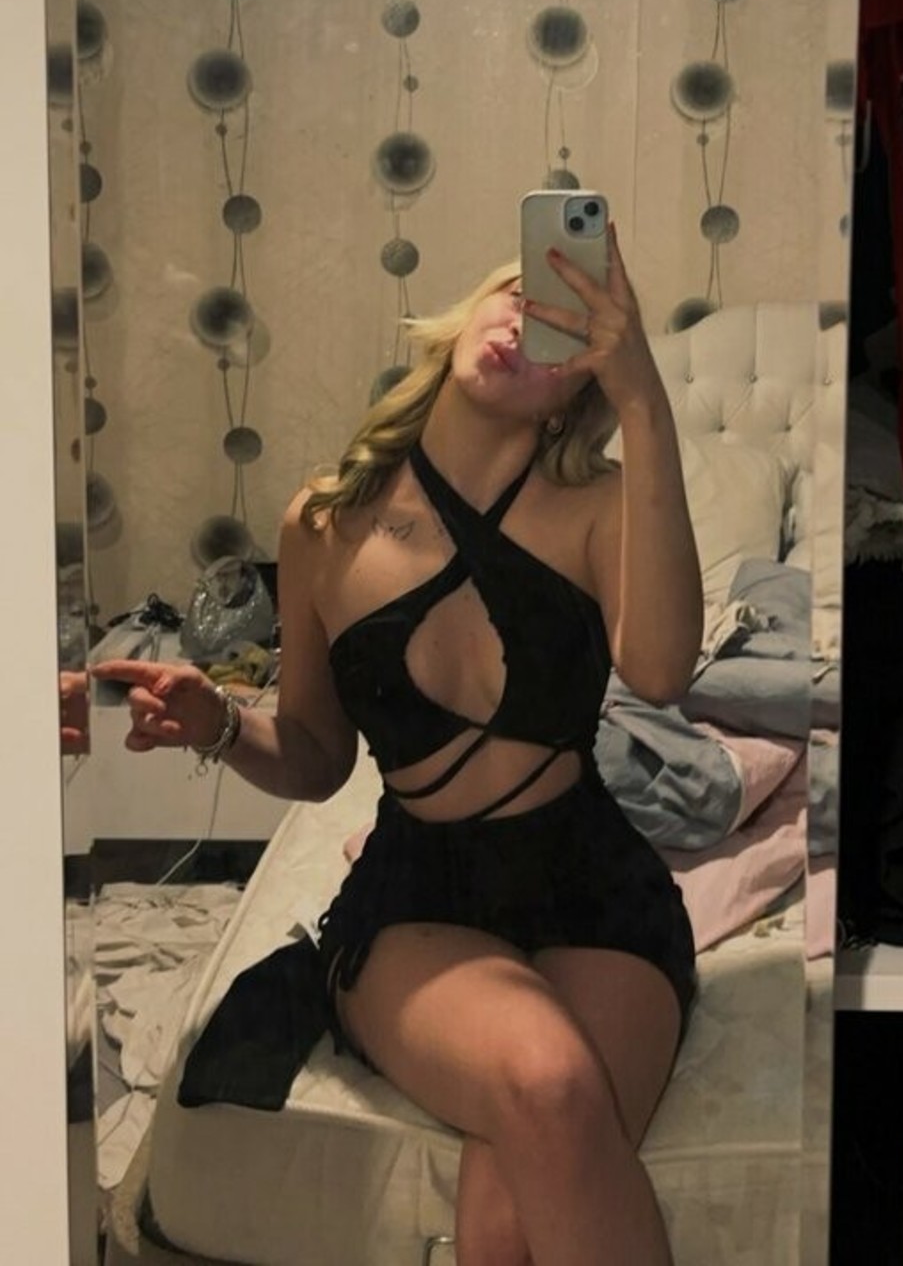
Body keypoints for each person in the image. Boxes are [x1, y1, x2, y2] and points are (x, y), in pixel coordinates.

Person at [94, 226, 703, 1266]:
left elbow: (661, 670)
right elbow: (317, 754)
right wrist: (219, 722)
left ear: (581, 388)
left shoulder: (600, 506)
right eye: (516, 294)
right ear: (462, 316)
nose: (524, 324)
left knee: (506, 1211)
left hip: (597, 888)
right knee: (549, 1078)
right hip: (418, 897)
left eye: (564, 330)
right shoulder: (324, 522)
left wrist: (644, 399)